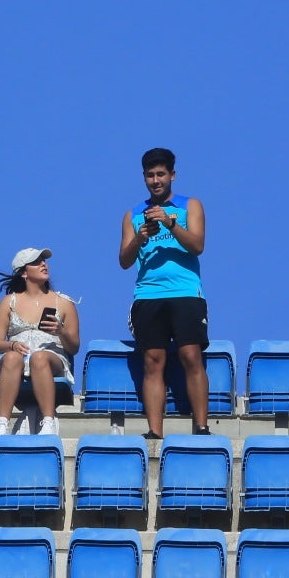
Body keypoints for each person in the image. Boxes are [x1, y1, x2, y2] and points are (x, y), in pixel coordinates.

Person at [117, 146, 210, 437]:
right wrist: (139, 238)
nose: (155, 180)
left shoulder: (190, 205)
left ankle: (202, 426)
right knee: (152, 360)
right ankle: (154, 431)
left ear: (172, 175)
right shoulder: (133, 214)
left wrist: (169, 222)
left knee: (190, 355)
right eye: (150, 175)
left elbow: (197, 245)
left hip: (185, 292)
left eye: (160, 174)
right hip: (148, 294)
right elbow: (124, 260)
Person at [0, 246, 79, 436]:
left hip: (51, 358)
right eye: (36, 262)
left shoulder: (63, 302)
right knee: (11, 358)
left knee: (39, 358)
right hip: (19, 359)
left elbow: (74, 346)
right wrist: (12, 345)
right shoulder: (8, 302)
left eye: (44, 261)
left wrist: (60, 331)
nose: (43, 264)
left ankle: (48, 423)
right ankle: (2, 424)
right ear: (23, 272)